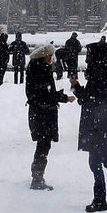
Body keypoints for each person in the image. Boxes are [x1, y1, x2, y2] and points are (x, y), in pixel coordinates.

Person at [70, 36, 107, 211]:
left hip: (97, 125)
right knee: (106, 158)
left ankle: (100, 199)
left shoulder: (99, 73)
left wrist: (76, 86)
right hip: (106, 124)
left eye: (89, 54)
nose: (87, 58)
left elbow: (89, 100)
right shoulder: (104, 71)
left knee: (95, 161)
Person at [25, 43, 73, 190]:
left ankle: (37, 175)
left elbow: (44, 93)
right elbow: (44, 95)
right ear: (42, 56)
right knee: (43, 145)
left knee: (43, 144)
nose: (51, 58)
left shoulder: (37, 68)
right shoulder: (40, 71)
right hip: (43, 114)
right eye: (49, 56)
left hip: (40, 113)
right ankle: (37, 178)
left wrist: (57, 96)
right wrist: (63, 97)